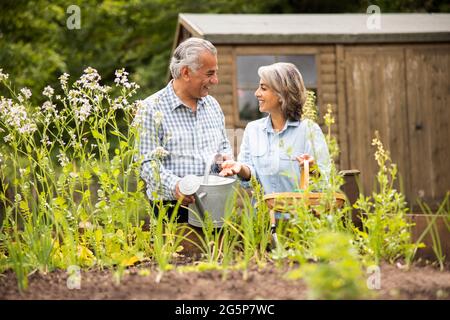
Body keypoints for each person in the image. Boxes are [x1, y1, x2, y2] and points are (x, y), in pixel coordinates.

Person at [138, 37, 232, 223]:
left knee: (219, 252)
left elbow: (223, 146)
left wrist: (225, 160)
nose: (215, 80)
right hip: (172, 208)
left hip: (215, 203)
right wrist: (176, 186)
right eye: (209, 74)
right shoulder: (151, 108)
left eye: (216, 73)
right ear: (186, 72)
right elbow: (147, 163)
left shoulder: (212, 105)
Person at [219, 62, 331, 194]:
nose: (256, 93)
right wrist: (240, 168)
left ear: (281, 93)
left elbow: (324, 183)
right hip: (263, 214)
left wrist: (312, 170)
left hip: (298, 214)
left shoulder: (309, 130)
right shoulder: (253, 129)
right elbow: (249, 179)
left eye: (263, 88)